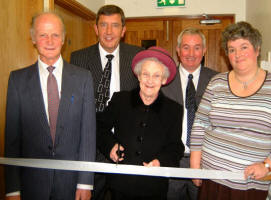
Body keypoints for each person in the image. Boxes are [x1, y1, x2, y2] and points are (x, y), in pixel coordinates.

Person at [190, 21, 271, 200]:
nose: (238, 54)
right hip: (212, 177)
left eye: (243, 47)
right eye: (231, 49)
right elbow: (200, 123)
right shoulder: (216, 83)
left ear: (257, 49)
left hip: (249, 183)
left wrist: (267, 166)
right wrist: (195, 165)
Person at [4, 12, 96, 200]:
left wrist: (85, 182)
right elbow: (12, 139)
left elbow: (88, 134)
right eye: (43, 35)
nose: (50, 41)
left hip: (72, 185)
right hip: (31, 185)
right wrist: (12, 189)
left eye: (55, 34)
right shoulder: (17, 80)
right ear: (33, 39)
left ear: (63, 38)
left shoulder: (83, 78)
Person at [70, 5, 143, 199]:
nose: (109, 32)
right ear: (96, 28)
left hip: (126, 148)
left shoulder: (138, 57)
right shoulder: (78, 58)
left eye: (115, 25)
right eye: (103, 25)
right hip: (91, 146)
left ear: (123, 30)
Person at [97, 46, 184, 199]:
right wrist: (110, 146)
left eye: (157, 76)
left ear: (164, 80)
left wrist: (160, 162)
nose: (150, 80)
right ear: (138, 76)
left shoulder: (174, 110)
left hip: (153, 187)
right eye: (145, 74)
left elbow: (175, 147)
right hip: (119, 185)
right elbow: (99, 127)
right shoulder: (120, 100)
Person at [161, 27, 217, 200]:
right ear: (178, 50)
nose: (191, 53)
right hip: (171, 160)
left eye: (197, 47)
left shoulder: (218, 81)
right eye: (186, 47)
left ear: (205, 50)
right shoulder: (164, 80)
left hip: (205, 162)